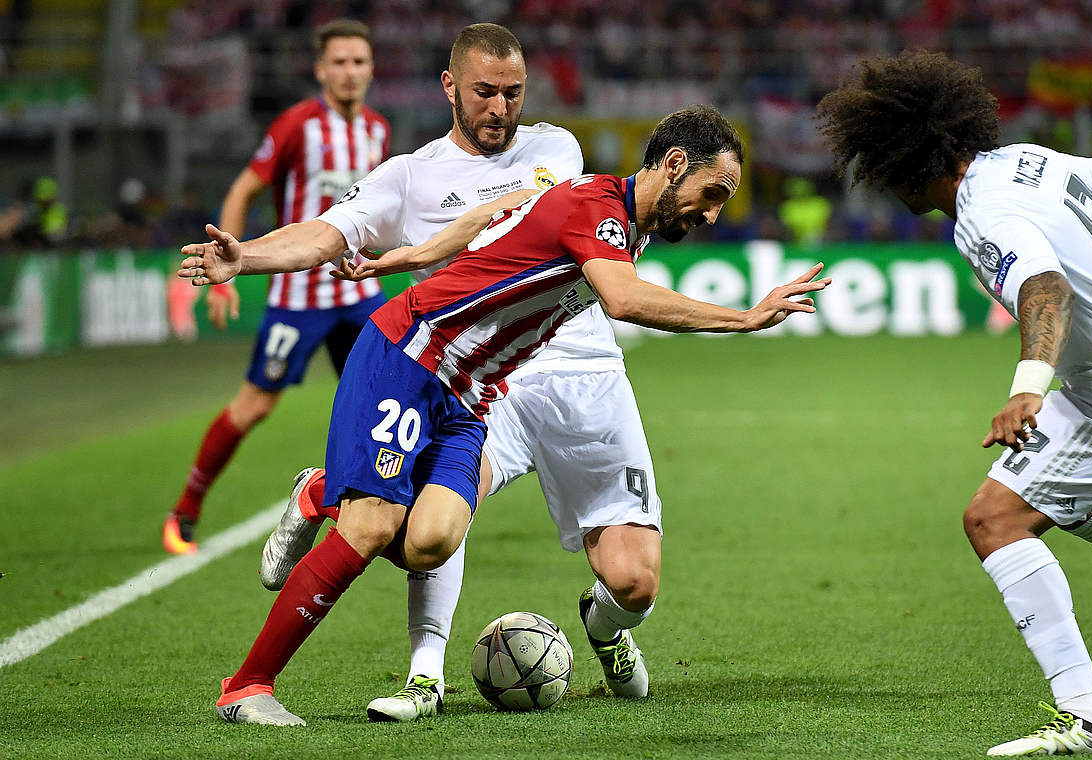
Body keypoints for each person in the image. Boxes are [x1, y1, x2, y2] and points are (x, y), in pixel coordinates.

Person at [180, 104, 831, 726]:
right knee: (373, 525)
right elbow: (624, 301)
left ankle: (321, 489)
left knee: (431, 541)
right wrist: (745, 317)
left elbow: (493, 217)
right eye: (713, 193)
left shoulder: (604, 212)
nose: (714, 214)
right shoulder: (596, 207)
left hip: (469, 392)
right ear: (675, 163)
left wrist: (408, 257)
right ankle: (247, 686)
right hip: (410, 354)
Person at [817, 51, 1092, 756]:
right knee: (1067, 497)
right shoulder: (1026, 160)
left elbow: (1045, 288)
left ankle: (1091, 721)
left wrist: (1026, 392)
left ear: (901, 160)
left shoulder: (980, 212)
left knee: (993, 520)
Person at [259, 22, 668, 723]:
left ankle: (605, 629)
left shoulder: (557, 150)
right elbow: (328, 233)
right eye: (484, 92)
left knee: (634, 581)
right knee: (429, 531)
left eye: (513, 93)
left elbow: (541, 223)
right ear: (450, 86)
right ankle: (425, 676)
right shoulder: (408, 177)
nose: (500, 108)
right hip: (484, 384)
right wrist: (249, 257)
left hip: (587, 373)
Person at [162, 19, 391, 555]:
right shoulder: (296, 126)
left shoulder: (378, 130)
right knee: (255, 406)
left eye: (359, 62)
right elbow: (244, 189)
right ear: (320, 70)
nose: (350, 72)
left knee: (381, 396)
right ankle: (187, 508)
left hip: (356, 294)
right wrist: (227, 269)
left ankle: (370, 510)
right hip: (299, 299)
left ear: (372, 69)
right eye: (339, 62)